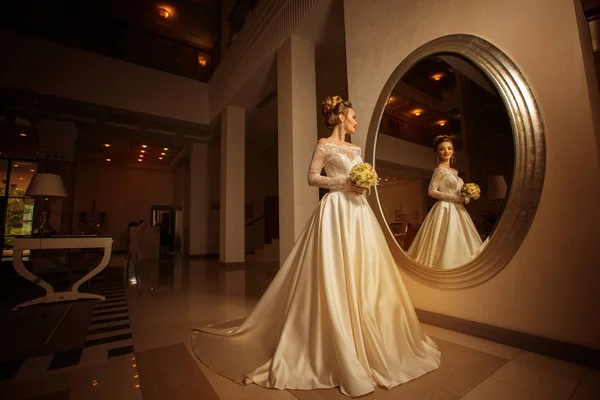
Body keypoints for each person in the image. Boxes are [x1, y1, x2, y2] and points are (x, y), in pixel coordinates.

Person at [191, 96, 440, 397]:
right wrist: (343, 183)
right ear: (339, 118)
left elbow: (359, 181)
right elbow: (312, 178)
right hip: (334, 210)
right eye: (353, 116)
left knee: (366, 272)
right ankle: (331, 339)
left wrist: (361, 185)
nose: (356, 122)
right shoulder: (324, 145)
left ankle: (372, 334)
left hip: (359, 214)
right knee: (332, 272)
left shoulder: (357, 149)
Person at [407, 135, 483, 269]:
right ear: (437, 152)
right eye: (442, 149)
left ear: (453, 151)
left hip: (459, 210)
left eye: (449, 148)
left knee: (461, 239)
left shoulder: (455, 172)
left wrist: (467, 196)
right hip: (445, 209)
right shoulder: (439, 170)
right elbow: (431, 191)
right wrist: (455, 198)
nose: (446, 151)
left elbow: (458, 191)